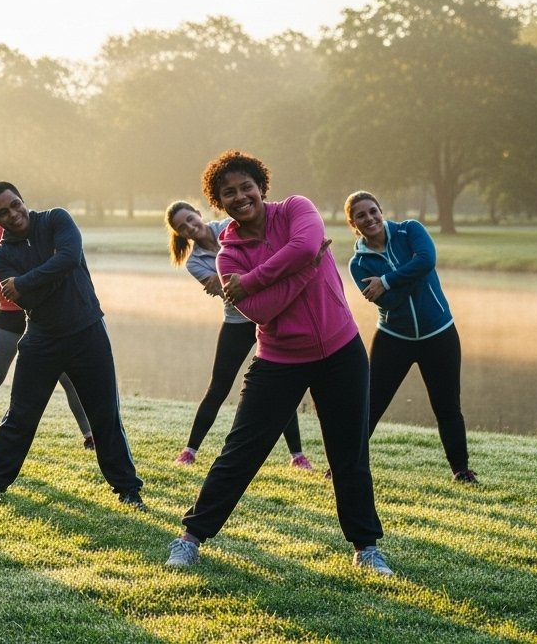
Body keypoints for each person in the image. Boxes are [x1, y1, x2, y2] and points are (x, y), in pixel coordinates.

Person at [165, 151, 392, 576]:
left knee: (349, 454)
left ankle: (366, 547)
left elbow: (305, 245)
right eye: (228, 192)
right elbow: (265, 310)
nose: (239, 196)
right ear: (219, 202)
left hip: (342, 351)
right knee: (240, 453)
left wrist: (253, 280)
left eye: (245, 186)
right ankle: (190, 538)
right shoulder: (227, 256)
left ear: (261, 186)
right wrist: (306, 269)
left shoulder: (295, 210)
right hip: (280, 360)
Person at [0, 182, 145, 511]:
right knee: (20, 417)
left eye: (14, 204)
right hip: (41, 339)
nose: (12, 214)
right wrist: (53, 271)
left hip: (87, 330)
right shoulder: (3, 255)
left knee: (104, 414)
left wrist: (24, 280)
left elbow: (68, 257)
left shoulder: (56, 220)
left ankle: (128, 489)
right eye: (2, 212)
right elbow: (36, 293)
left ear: (23, 199)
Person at [164, 200, 313, 470]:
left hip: (271, 315)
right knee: (218, 386)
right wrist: (242, 280)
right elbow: (231, 292)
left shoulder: (230, 227)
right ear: (179, 233)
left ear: (199, 214)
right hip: (237, 320)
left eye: (190, 219)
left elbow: (251, 271)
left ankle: (297, 456)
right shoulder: (194, 263)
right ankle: (190, 450)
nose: (189, 226)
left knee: (280, 386)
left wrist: (239, 280)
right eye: (182, 227)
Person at [345, 191, 476, 484]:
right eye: (361, 216)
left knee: (447, 407)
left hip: (439, 334)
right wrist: (414, 271)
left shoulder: (410, 230)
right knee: (370, 405)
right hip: (393, 338)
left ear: (382, 210)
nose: (369, 218)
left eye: (372, 211)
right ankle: (344, 465)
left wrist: (388, 281)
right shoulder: (359, 264)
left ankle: (462, 471)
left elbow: (428, 259)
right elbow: (389, 303)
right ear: (354, 224)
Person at [0, 193, 95, 450]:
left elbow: (45, 266)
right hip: (10, 317)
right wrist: (33, 277)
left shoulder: (16, 231)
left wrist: (23, 280)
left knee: (67, 378)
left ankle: (89, 435)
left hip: (45, 314)